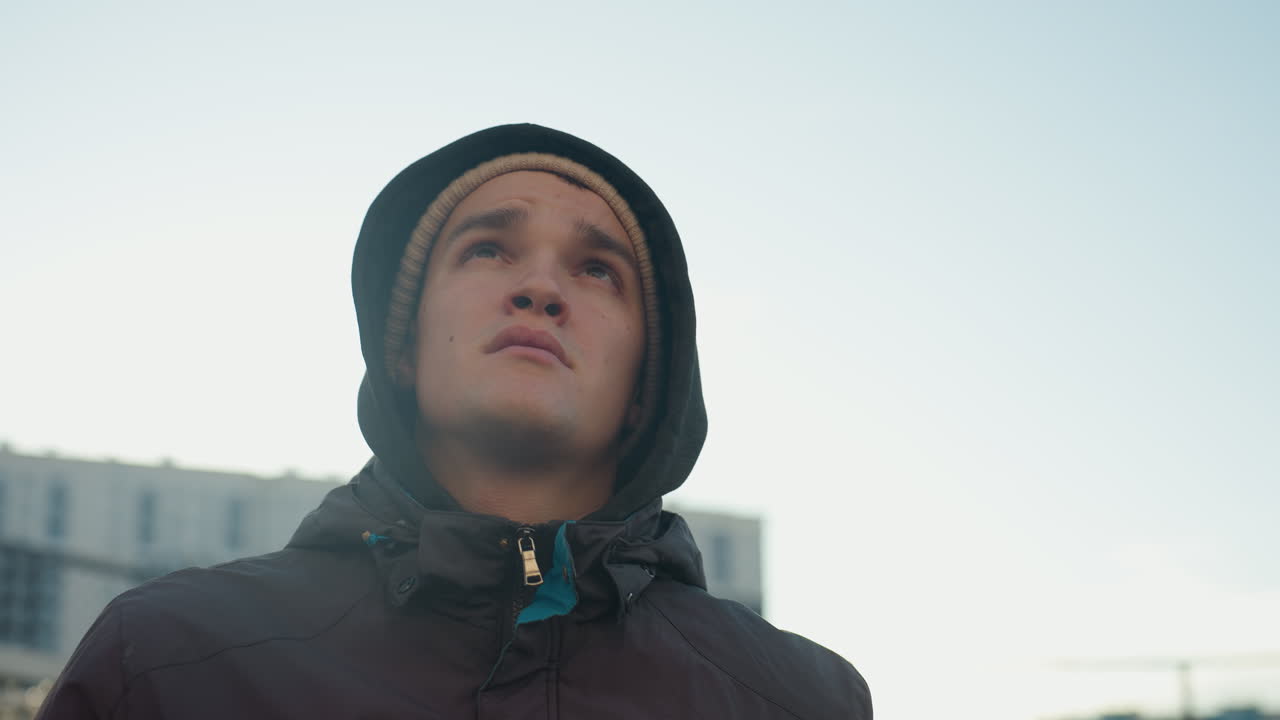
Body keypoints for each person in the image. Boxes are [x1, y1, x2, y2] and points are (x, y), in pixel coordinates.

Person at [37, 124, 872, 719]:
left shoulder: (800, 700)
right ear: (403, 346)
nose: (541, 288)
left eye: (596, 269)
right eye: (489, 249)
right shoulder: (168, 660)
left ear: (648, 388)